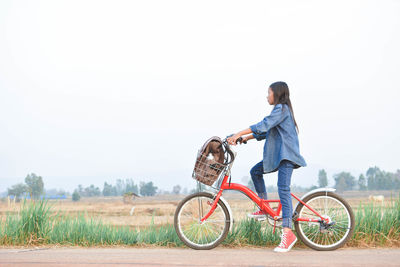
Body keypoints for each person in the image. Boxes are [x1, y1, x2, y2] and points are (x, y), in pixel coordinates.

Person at [227, 81, 306, 253]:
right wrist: (245, 138)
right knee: (255, 171)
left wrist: (239, 133)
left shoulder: (282, 109)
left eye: (268, 93)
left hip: (286, 155)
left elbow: (263, 124)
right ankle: (264, 208)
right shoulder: (280, 111)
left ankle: (288, 232)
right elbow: (265, 131)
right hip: (279, 155)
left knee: (283, 188)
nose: (266, 96)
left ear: (276, 94)